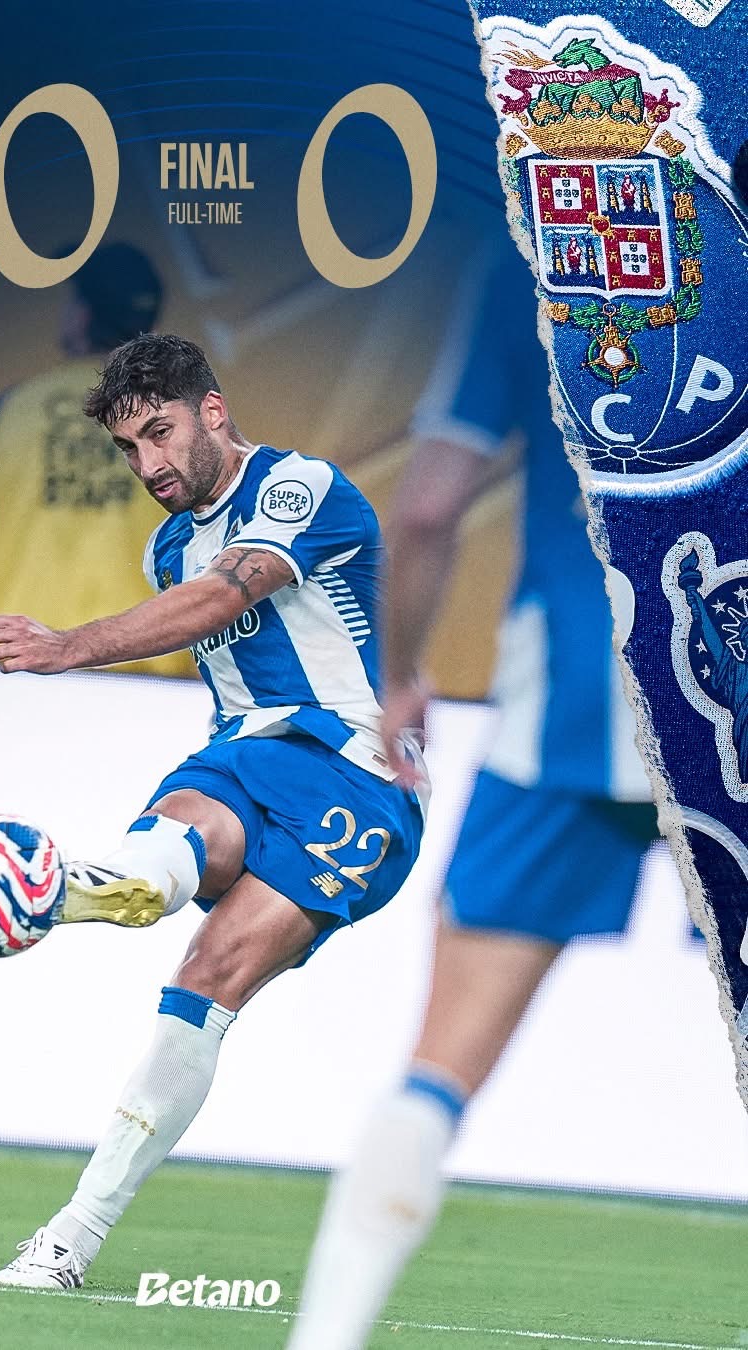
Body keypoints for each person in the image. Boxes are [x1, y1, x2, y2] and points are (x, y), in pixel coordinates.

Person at [0, 332, 429, 1289]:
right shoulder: (168, 544)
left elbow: (223, 599)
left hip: (357, 773)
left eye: (161, 434)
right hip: (245, 756)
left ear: (212, 411)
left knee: (208, 976)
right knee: (162, 861)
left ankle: (75, 1231)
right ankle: (84, 889)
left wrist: (68, 645)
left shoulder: (299, 486)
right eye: (129, 448)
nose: (149, 466)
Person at [286, 237, 664, 1350]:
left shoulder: (532, 261)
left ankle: (325, 1339)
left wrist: (402, 672)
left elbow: (428, 508)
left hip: (579, 706)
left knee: (437, 1076)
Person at [0, 242, 194, 677]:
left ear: (82, 315)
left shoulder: (13, 408)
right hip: (141, 666)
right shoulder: (183, 420)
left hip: (11, 656)